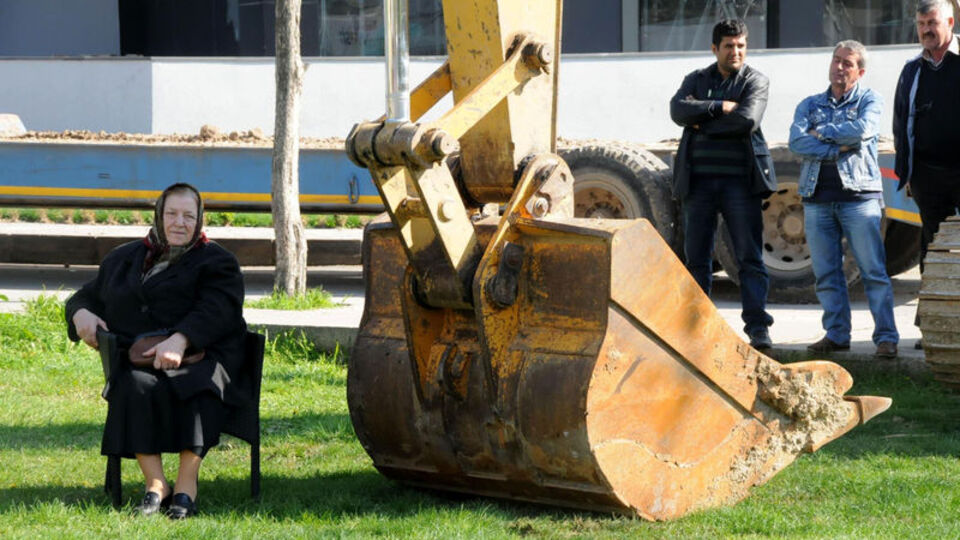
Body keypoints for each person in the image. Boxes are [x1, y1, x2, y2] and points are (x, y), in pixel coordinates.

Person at [66, 183, 247, 519]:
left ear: (200, 219)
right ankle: (156, 484)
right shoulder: (124, 258)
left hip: (201, 356)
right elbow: (88, 295)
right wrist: (80, 313)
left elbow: (219, 308)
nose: (180, 223)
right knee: (133, 385)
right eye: (172, 214)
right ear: (159, 216)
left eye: (189, 216)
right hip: (141, 360)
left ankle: (186, 486)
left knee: (199, 388)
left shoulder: (218, 262)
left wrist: (180, 340)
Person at [669, 18, 777, 349]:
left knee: (749, 257)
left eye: (741, 45)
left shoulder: (755, 81)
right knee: (697, 259)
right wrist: (718, 106)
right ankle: (696, 328)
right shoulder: (697, 79)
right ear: (715, 48)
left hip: (740, 186)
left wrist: (702, 124)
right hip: (698, 184)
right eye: (729, 46)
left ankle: (758, 328)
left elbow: (747, 120)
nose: (736, 51)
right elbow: (677, 110)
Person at [788, 41, 899, 358]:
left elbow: (863, 130)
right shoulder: (809, 104)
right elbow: (796, 141)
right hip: (817, 199)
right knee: (826, 273)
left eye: (847, 63)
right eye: (836, 60)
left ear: (860, 71)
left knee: (873, 272)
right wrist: (835, 148)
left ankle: (886, 338)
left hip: (859, 198)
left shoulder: (870, 100)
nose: (839, 67)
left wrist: (819, 133)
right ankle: (836, 335)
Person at [893, 0, 960, 349]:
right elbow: (900, 121)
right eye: (920, 24)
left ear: (950, 21)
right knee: (933, 252)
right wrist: (905, 172)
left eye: (931, 22)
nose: (925, 30)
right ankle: (933, 325)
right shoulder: (912, 70)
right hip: (928, 177)